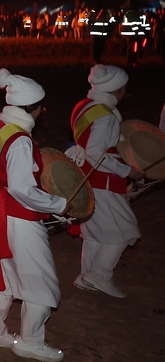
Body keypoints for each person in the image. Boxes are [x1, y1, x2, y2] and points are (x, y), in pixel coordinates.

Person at [0, 68, 66, 362]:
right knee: (41, 283)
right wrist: (59, 204)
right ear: (31, 108)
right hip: (20, 219)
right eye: (41, 106)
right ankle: (29, 341)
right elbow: (24, 190)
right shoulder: (22, 141)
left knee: (5, 276)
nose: (43, 110)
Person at [67, 64, 143, 298]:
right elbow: (95, 153)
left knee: (94, 232)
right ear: (116, 89)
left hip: (86, 179)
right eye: (123, 88)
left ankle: (86, 276)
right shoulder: (106, 115)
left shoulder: (84, 106)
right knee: (126, 229)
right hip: (104, 181)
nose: (125, 92)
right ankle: (100, 274)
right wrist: (127, 170)